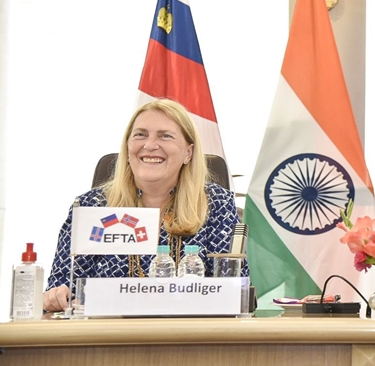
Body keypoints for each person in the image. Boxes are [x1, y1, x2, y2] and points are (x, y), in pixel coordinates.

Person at [44, 99, 247, 312]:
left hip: (190, 337)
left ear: (188, 153)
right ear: (128, 147)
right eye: (140, 134)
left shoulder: (216, 203)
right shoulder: (91, 206)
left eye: (165, 136)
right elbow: (61, 286)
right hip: (106, 336)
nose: (149, 145)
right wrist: (57, 296)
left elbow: (234, 291)